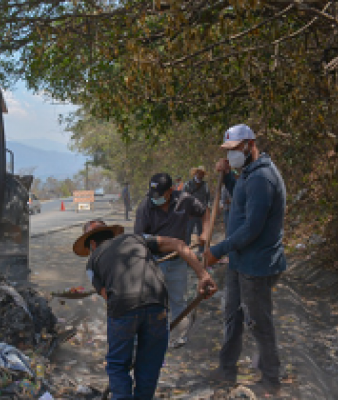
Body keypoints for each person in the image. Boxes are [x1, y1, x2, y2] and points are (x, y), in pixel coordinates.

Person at [75, 220, 215, 400]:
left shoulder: (92, 262)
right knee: (148, 364)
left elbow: (107, 296)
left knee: (118, 366)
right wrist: (203, 275)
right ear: (112, 234)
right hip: (157, 303)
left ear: (92, 244)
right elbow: (179, 245)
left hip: (123, 307)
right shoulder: (136, 239)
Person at [204, 124, 287, 396]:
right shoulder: (247, 174)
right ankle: (227, 369)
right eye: (227, 152)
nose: (231, 156)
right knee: (232, 316)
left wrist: (219, 249)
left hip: (257, 264)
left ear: (250, 145)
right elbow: (240, 201)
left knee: (258, 321)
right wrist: (228, 177)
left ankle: (271, 379)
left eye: (234, 151)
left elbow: (253, 227)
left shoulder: (263, 178)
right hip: (240, 261)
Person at [134, 173, 211, 347]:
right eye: (153, 195)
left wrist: (205, 232)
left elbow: (205, 211)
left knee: (178, 299)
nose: (156, 199)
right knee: (152, 301)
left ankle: (180, 336)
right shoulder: (145, 207)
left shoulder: (184, 200)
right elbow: (139, 238)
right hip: (155, 261)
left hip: (178, 261)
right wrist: (165, 244)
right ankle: (149, 338)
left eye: (160, 195)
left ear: (170, 191)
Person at [183, 166, 210, 244]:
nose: (201, 175)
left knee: (201, 232)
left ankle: (201, 251)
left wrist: (207, 210)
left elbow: (208, 198)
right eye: (199, 173)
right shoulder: (188, 184)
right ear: (196, 173)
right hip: (191, 212)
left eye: (202, 174)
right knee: (188, 232)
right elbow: (184, 199)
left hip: (201, 212)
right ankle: (186, 249)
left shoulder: (205, 185)